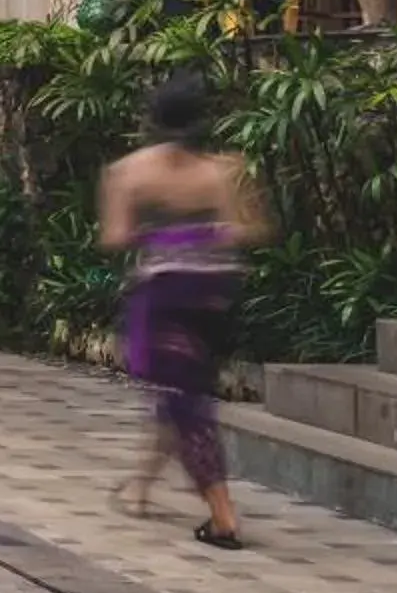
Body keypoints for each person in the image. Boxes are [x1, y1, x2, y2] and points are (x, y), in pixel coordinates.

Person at [99, 75, 269, 548]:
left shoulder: (129, 172)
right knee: (180, 394)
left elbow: (114, 236)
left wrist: (160, 235)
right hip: (213, 293)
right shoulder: (224, 170)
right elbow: (247, 230)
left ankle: (223, 516)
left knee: (184, 401)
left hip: (164, 295)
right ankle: (140, 487)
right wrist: (204, 233)